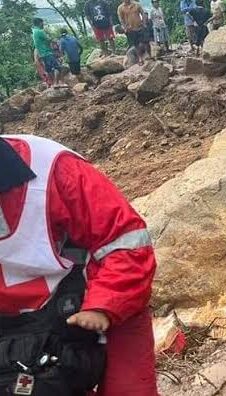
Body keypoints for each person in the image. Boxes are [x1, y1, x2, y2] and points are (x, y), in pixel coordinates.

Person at [0, 135, 157, 394]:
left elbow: (127, 246)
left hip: (96, 303)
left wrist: (103, 306)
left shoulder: (55, 171)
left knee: (128, 389)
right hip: (15, 324)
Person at [31, 18, 64, 87]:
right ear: (39, 23)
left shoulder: (34, 32)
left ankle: (52, 84)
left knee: (49, 70)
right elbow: (48, 40)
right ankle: (57, 84)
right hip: (47, 52)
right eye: (42, 23)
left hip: (42, 54)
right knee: (58, 68)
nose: (43, 24)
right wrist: (55, 40)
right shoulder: (40, 31)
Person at [117, 0, 149, 65]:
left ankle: (149, 55)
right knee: (136, 44)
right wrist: (125, 27)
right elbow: (121, 19)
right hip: (130, 29)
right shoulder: (121, 8)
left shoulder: (136, 4)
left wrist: (144, 23)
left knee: (145, 41)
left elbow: (143, 13)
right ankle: (140, 59)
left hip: (140, 26)